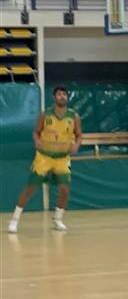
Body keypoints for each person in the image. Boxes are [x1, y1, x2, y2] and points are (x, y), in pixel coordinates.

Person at [8, 85, 82, 233]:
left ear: (67, 98)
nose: (62, 96)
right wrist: (37, 140)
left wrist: (77, 145)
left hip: (62, 158)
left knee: (64, 190)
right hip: (44, 157)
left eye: (64, 94)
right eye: (59, 94)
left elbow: (79, 134)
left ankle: (58, 219)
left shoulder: (73, 116)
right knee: (31, 188)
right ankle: (14, 220)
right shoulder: (45, 115)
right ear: (54, 98)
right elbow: (36, 132)